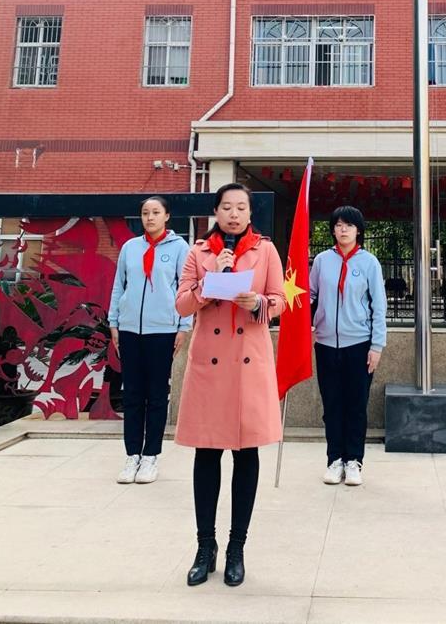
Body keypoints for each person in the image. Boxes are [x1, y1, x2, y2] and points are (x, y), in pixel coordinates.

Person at [174, 183, 285, 589]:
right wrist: (210, 284)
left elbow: (280, 300)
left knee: (246, 453)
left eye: (241, 207)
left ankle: (237, 548)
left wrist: (259, 303)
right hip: (210, 365)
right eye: (226, 207)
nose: (234, 214)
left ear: (250, 213)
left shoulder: (266, 250)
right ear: (216, 211)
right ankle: (205, 548)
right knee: (206, 454)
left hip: (248, 364)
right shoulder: (198, 252)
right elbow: (182, 303)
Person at [108, 195, 191, 485]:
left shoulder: (180, 248)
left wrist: (183, 325)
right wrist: (114, 322)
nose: (150, 217)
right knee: (132, 394)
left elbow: (185, 288)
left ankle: (151, 455)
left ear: (167, 216)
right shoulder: (130, 248)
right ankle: (132, 454)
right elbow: (119, 286)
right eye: (145, 213)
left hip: (163, 331)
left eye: (156, 212)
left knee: (156, 395)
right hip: (130, 330)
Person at [310, 205, 386, 487]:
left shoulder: (369, 263)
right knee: (332, 404)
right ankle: (334, 459)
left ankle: (354, 460)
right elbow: (310, 295)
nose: (343, 230)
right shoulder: (321, 261)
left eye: (349, 225)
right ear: (333, 229)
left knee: (356, 405)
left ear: (358, 230)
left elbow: (379, 307)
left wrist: (377, 345)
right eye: (339, 225)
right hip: (326, 344)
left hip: (359, 345)